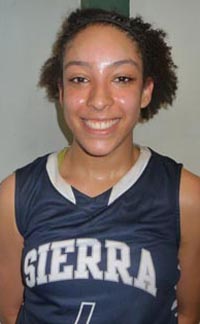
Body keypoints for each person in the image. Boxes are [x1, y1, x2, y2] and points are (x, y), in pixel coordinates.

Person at [0, 7, 199, 324]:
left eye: (121, 78)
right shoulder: (14, 196)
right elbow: (9, 312)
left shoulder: (186, 196)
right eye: (80, 79)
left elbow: (189, 313)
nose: (99, 100)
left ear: (145, 91)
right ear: (61, 92)